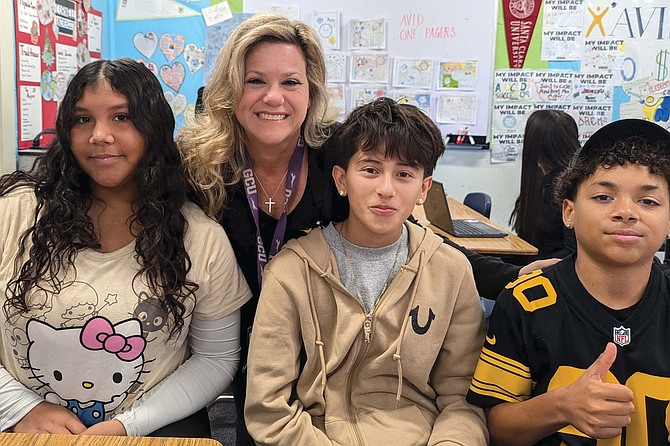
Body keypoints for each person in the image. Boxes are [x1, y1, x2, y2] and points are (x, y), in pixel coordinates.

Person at [177, 12, 553, 445]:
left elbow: (408, 238)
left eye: (291, 82)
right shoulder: (198, 165)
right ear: (230, 88)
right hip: (244, 340)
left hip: (328, 339)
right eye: (255, 80)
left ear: (312, 90)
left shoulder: (333, 155)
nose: (274, 97)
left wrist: (506, 275)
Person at [0, 59, 251, 437]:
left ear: (152, 128)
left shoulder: (199, 237)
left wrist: (127, 425)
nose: (100, 135)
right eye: (83, 119)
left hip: (152, 429)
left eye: (121, 117)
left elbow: (215, 359)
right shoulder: (13, 213)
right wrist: (21, 408)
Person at [245, 97, 488, 445]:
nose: (386, 189)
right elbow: (268, 407)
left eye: (404, 174)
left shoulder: (451, 271)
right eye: (371, 169)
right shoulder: (291, 272)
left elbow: (462, 398)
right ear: (342, 180)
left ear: (423, 189)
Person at [467, 119, 670, 445]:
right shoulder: (524, 303)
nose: (626, 211)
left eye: (648, 201)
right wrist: (561, 405)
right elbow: (496, 427)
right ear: (569, 212)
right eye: (604, 197)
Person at [509, 109, 579, 262]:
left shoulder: (566, 189)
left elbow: (572, 252)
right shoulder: (542, 182)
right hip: (533, 262)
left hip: (548, 270)